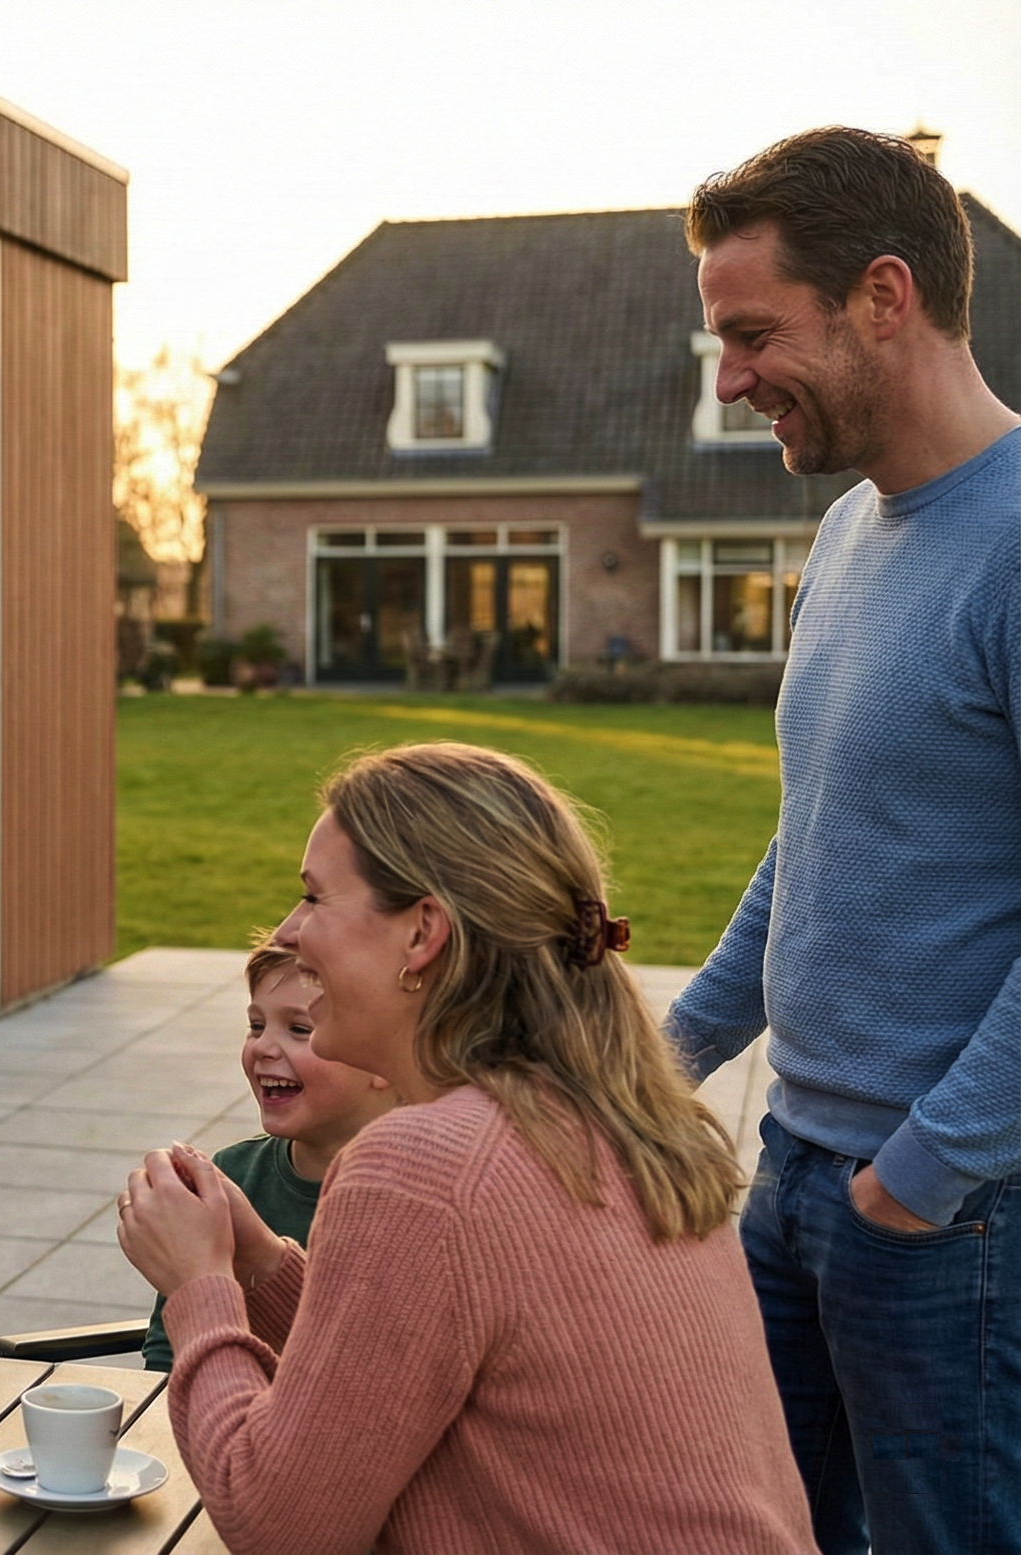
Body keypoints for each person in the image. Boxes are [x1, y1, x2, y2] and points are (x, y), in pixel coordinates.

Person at [118, 743, 814, 1555]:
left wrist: (199, 1287)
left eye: (313, 897)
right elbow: (424, 1347)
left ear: (422, 933)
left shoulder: (425, 1168)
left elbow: (280, 1528)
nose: (288, 932)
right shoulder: (613, 1118)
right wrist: (261, 1264)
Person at [674, 126, 1021, 1554]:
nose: (730, 377)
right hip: (798, 1174)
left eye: (754, 334)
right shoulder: (844, 539)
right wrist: (659, 1059)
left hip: (957, 1218)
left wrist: (919, 1180)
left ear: (885, 296)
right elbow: (813, 841)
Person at [138, 938, 394, 1374]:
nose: (263, 1048)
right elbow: (167, 1356)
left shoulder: (420, 1201)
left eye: (300, 1029)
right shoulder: (232, 1177)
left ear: (385, 1061)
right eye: (256, 1026)